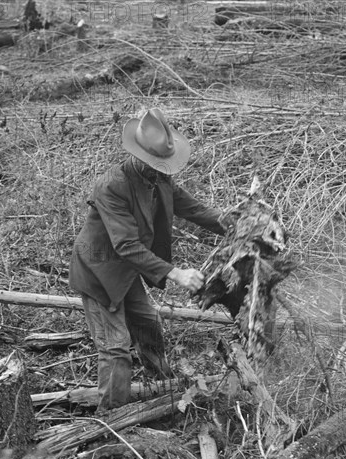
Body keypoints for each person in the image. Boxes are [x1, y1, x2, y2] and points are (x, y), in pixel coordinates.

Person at [69, 108, 228, 412]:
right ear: (138, 155)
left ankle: (160, 386)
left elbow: (194, 210)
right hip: (98, 271)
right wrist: (175, 273)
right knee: (116, 348)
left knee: (147, 322)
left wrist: (234, 223)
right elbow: (126, 244)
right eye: (156, 163)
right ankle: (111, 417)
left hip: (126, 270)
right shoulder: (112, 186)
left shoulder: (160, 179)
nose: (162, 169)